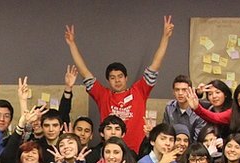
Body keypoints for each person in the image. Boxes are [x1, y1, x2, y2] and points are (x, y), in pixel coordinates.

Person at [64, 16, 175, 150]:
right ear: (108, 80)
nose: (117, 80)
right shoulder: (103, 95)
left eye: (120, 76)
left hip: (137, 151)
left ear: (126, 78)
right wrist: (72, 44)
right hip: (111, 152)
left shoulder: (139, 90)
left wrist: (165, 37)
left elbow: (156, 65)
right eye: (112, 77)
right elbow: (84, 72)